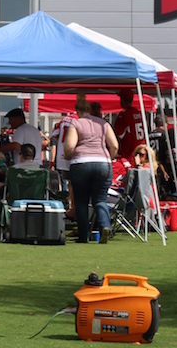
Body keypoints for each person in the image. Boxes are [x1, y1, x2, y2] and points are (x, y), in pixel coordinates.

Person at [64, 94, 119, 243]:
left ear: (77, 111)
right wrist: (109, 158)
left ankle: (83, 236)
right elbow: (114, 145)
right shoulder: (103, 124)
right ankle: (105, 226)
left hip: (81, 163)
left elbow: (69, 146)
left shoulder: (76, 124)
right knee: (100, 199)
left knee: (81, 201)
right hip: (103, 162)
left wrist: (67, 156)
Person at [113, 89, 149, 159]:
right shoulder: (138, 112)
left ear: (122, 100)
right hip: (141, 151)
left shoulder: (124, 115)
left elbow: (118, 135)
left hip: (128, 154)